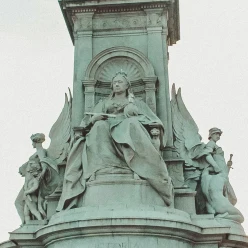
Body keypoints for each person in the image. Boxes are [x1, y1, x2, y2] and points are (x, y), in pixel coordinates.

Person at [58, 73, 173, 210]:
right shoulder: (103, 104)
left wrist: (134, 115)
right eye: (114, 82)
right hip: (106, 129)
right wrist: (95, 119)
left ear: (127, 85)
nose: (117, 84)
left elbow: (153, 120)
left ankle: (137, 165)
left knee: (131, 125)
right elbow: (87, 121)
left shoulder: (136, 103)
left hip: (127, 128)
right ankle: (102, 168)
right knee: (99, 127)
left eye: (120, 82)